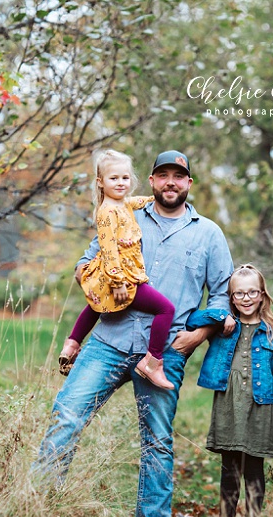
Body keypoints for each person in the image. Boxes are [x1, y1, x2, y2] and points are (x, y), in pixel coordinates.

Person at [34, 150, 234, 517]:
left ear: (189, 183)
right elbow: (87, 261)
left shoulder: (208, 234)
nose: (171, 183)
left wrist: (197, 336)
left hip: (165, 352)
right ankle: (35, 509)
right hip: (109, 339)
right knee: (66, 417)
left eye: (179, 176)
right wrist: (88, 275)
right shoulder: (123, 214)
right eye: (163, 175)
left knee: (157, 440)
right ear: (152, 180)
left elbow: (225, 294)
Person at [185, 264, 273, 517]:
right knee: (230, 466)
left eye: (252, 292)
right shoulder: (224, 326)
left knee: (255, 467)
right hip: (229, 404)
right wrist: (221, 317)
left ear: (262, 295)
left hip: (260, 405)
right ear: (232, 297)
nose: (246, 299)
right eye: (239, 294)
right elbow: (192, 319)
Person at [57, 149, 176, 390]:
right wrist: (119, 282)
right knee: (166, 309)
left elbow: (135, 202)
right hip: (123, 276)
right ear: (100, 182)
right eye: (114, 178)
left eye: (125, 178)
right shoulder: (106, 212)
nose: (121, 183)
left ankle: (72, 343)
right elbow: (109, 249)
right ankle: (153, 362)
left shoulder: (120, 204)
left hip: (116, 274)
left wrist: (156, 197)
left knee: (96, 304)